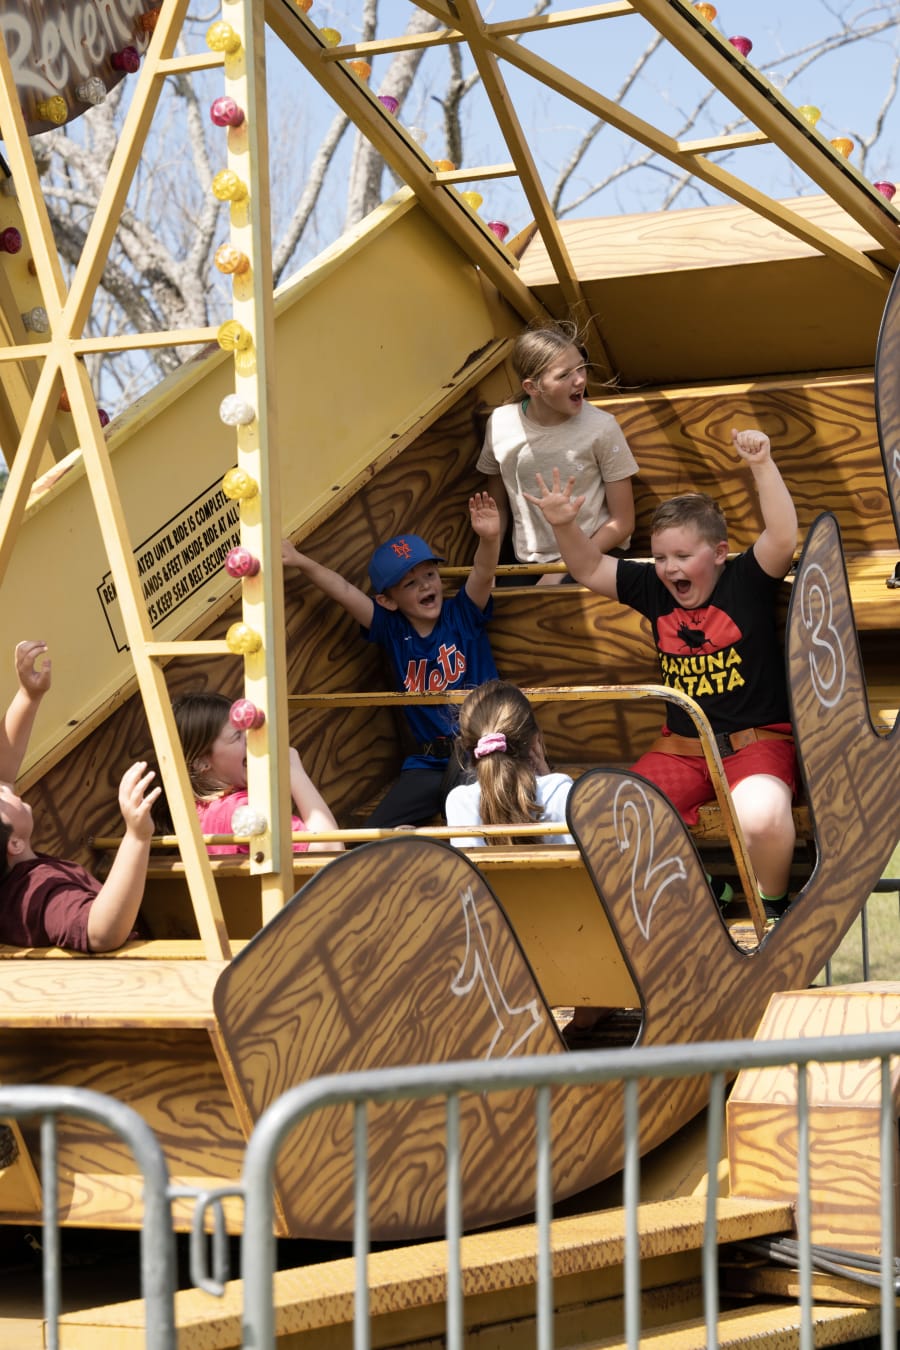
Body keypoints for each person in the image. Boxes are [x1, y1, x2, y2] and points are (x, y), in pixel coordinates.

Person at [526, 428, 798, 921]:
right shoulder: (653, 587)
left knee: (763, 818)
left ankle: (773, 905)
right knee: (612, 816)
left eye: (683, 556)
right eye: (660, 557)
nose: (669, 568)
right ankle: (707, 892)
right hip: (684, 750)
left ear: (719, 553)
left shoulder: (745, 580)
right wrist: (564, 524)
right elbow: (588, 568)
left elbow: (781, 536)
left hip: (755, 743)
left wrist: (761, 464)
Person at [281, 492, 502, 827]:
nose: (425, 586)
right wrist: (301, 561)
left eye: (430, 575)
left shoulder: (462, 613)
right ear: (387, 600)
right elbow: (343, 591)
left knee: (474, 818)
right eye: (410, 583)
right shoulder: (392, 629)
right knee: (374, 834)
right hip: (429, 761)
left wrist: (490, 538)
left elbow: (483, 574)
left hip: (480, 750)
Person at [0, 641, 161, 952]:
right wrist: (137, 836)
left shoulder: (12, 884)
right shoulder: (38, 893)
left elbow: (4, 770)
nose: (4, 788)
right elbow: (100, 934)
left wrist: (28, 696)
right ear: (14, 844)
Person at [477, 319, 639, 585]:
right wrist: (488, 567)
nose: (580, 380)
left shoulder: (601, 428)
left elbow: (622, 522)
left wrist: (562, 569)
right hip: (527, 561)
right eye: (564, 375)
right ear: (532, 388)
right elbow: (498, 509)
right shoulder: (500, 423)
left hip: (594, 552)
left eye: (581, 368)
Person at [170, 692, 343, 855]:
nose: (252, 740)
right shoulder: (242, 811)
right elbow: (330, 848)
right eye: (237, 736)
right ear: (201, 763)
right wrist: (293, 770)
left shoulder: (196, 813)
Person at [445, 680, 574, 847]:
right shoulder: (561, 791)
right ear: (535, 740)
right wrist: (549, 779)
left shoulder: (459, 801)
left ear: (467, 747)